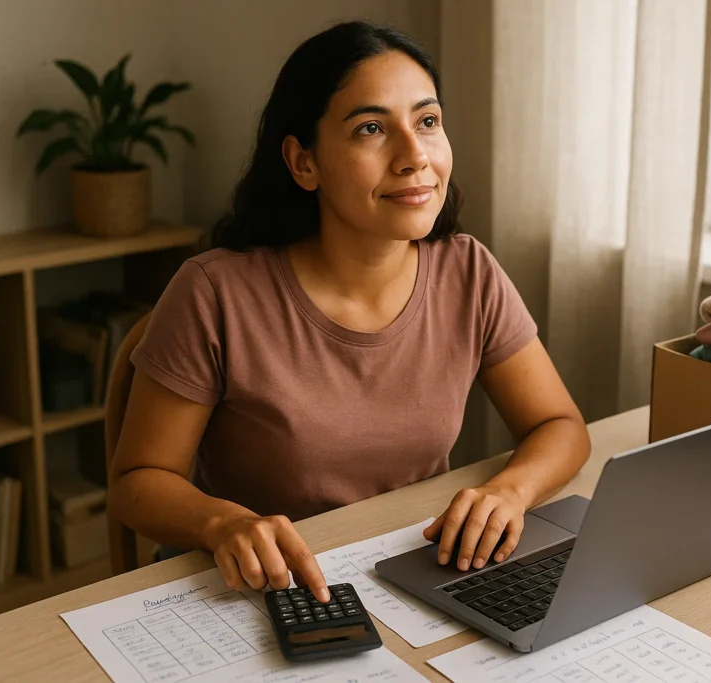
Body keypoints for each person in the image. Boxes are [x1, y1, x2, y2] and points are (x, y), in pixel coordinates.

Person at [108, 20, 591, 605]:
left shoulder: (468, 272)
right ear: (303, 163)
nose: (415, 157)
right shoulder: (214, 293)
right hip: (252, 586)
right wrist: (221, 524)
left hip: (407, 570)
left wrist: (510, 491)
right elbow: (138, 483)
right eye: (371, 128)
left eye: (428, 121)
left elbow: (560, 426)